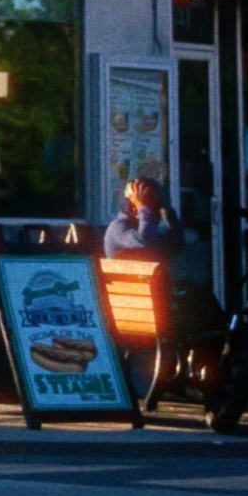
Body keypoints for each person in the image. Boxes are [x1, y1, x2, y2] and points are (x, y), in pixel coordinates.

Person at [101, 170, 221, 402]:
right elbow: (144, 240)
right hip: (142, 312)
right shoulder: (119, 228)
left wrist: (168, 211)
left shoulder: (150, 230)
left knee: (202, 301)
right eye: (150, 204)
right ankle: (200, 376)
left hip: (156, 308)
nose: (154, 210)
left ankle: (199, 376)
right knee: (202, 309)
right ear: (132, 205)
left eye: (155, 203)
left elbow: (177, 244)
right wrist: (143, 207)